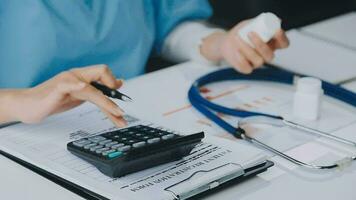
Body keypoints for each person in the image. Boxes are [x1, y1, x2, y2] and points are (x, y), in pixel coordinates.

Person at [0, 0, 289, 127]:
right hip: (18, 134)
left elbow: (167, 23)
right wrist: (16, 102)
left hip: (126, 118)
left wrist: (220, 44)